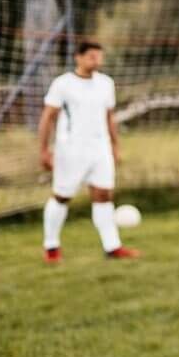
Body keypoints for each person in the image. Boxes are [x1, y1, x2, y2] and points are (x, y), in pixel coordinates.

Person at [36, 40, 138, 263]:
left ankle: (112, 246)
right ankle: (51, 247)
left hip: (99, 149)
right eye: (92, 56)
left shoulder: (106, 83)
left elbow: (109, 117)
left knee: (103, 195)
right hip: (70, 150)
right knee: (62, 196)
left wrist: (115, 145)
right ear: (79, 57)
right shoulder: (63, 84)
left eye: (99, 56)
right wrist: (44, 150)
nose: (97, 61)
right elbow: (47, 117)